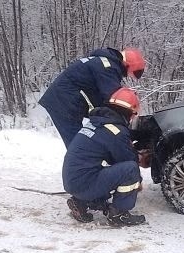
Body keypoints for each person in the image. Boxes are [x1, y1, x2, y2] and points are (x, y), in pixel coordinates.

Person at [62, 87, 147, 227]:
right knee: (131, 170)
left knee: (102, 170)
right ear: (130, 112)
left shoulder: (97, 123)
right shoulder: (115, 131)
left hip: (72, 180)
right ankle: (119, 214)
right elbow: (126, 160)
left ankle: (81, 202)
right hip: (84, 183)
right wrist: (138, 170)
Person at [40, 47, 146, 147]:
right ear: (127, 65)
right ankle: (81, 165)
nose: (127, 76)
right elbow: (114, 99)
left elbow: (102, 99)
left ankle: (85, 163)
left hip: (65, 100)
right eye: (131, 73)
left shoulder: (102, 62)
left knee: (81, 142)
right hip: (64, 102)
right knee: (78, 145)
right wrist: (125, 127)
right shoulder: (107, 67)